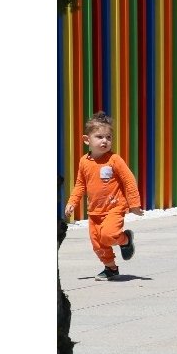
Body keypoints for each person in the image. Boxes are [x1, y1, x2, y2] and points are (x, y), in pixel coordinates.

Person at [65, 111, 144, 281]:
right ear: (87, 140)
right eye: (99, 137)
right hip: (94, 211)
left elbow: (129, 180)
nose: (104, 141)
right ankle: (111, 268)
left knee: (108, 235)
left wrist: (134, 204)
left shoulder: (114, 160)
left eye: (108, 137)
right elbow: (80, 184)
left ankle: (125, 240)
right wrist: (72, 202)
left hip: (114, 207)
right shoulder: (84, 162)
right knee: (98, 244)